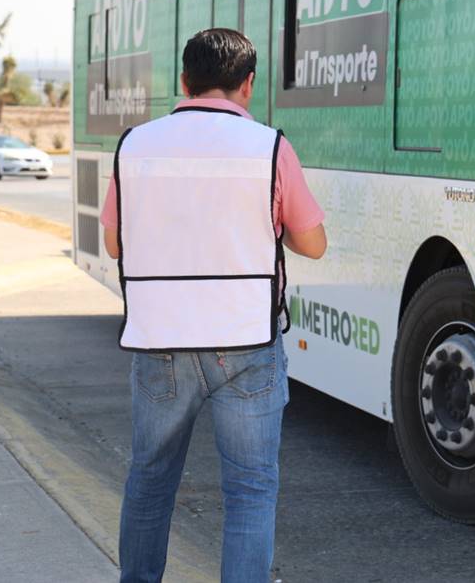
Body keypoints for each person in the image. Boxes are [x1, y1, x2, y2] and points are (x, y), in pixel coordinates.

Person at [100, 28, 327, 582]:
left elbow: (114, 243)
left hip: (160, 341)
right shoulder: (270, 147)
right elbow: (314, 243)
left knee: (150, 480)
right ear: (248, 85)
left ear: (184, 82)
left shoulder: (135, 145)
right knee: (250, 489)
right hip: (246, 341)